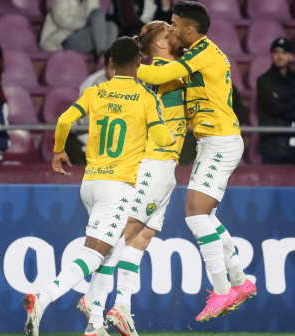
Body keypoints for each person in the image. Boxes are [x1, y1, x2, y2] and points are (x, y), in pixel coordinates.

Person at [22, 36, 175, 336]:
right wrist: (170, 133)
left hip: (90, 182)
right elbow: (162, 139)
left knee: (111, 252)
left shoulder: (95, 91)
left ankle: (95, 324)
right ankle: (42, 300)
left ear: (112, 64)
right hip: (117, 187)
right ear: (138, 63)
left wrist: (58, 151)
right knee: (94, 253)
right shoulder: (146, 98)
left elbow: (65, 120)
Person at [133, 1, 257, 322]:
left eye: (174, 25)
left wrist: (130, 66)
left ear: (189, 29)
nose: (171, 30)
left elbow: (169, 72)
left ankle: (221, 291)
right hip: (212, 142)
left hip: (220, 142)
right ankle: (240, 282)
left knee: (195, 215)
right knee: (207, 217)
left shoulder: (204, 52)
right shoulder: (195, 53)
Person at [75, 21, 187, 336]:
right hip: (153, 161)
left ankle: (121, 305)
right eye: (171, 33)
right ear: (162, 44)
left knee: (143, 236)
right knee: (122, 235)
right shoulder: (161, 71)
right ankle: (92, 306)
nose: (178, 36)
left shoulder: (162, 71)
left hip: (168, 164)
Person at [256, 38, 295, 165]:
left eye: (284, 52)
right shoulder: (264, 81)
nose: (280, 56)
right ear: (271, 55)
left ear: (290, 56)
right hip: (273, 148)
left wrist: (284, 103)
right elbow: (276, 108)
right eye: (276, 52)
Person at [39, 0, 118, 54]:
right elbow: (62, 20)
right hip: (63, 38)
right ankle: (103, 56)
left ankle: (106, 56)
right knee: (98, 34)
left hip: (83, 34)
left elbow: (95, 17)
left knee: (111, 26)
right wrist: (84, 24)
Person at [106, 0, 173, 36]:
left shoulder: (158, 2)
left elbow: (166, 18)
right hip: (134, 27)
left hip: (152, 28)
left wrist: (165, 7)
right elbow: (127, 18)